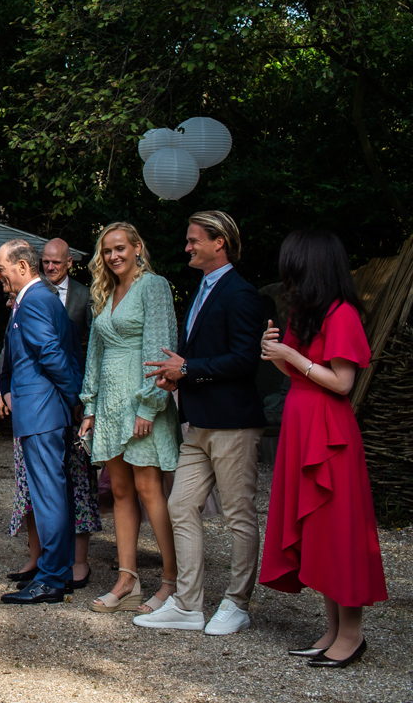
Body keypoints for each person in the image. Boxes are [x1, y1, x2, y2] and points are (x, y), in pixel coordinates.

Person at [255, 228, 385, 669]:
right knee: (317, 532)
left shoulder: (343, 313)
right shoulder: (306, 312)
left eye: (292, 264)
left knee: (338, 529)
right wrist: (273, 351)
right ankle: (331, 630)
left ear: (311, 265)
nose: (286, 274)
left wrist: (291, 357)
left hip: (328, 431)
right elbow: (295, 368)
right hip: (301, 423)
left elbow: (342, 383)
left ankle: (352, 633)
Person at [136, 211, 268, 635]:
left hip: (233, 423)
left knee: (238, 515)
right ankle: (189, 605)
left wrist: (188, 368)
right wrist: (176, 373)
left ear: (220, 243)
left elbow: (247, 360)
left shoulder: (242, 294)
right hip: (198, 425)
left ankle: (236, 602)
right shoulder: (202, 290)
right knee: (180, 506)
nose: (188, 247)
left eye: (194, 240)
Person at [78, 222, 180, 614]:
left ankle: (171, 582)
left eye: (120, 248)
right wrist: (89, 407)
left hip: (141, 403)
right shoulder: (105, 292)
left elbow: (161, 347)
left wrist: (149, 405)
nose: (113, 256)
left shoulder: (154, 286)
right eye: (107, 251)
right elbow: (95, 354)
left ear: (138, 248)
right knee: (119, 491)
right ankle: (127, 580)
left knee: (149, 489)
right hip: (109, 405)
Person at [0, 238, 99, 591]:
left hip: (42, 411)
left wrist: (75, 399)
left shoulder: (36, 299)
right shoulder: (43, 298)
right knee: (52, 493)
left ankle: (53, 578)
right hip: (44, 409)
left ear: (22, 267)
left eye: (1, 268)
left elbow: (53, 355)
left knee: (49, 496)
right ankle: (55, 571)